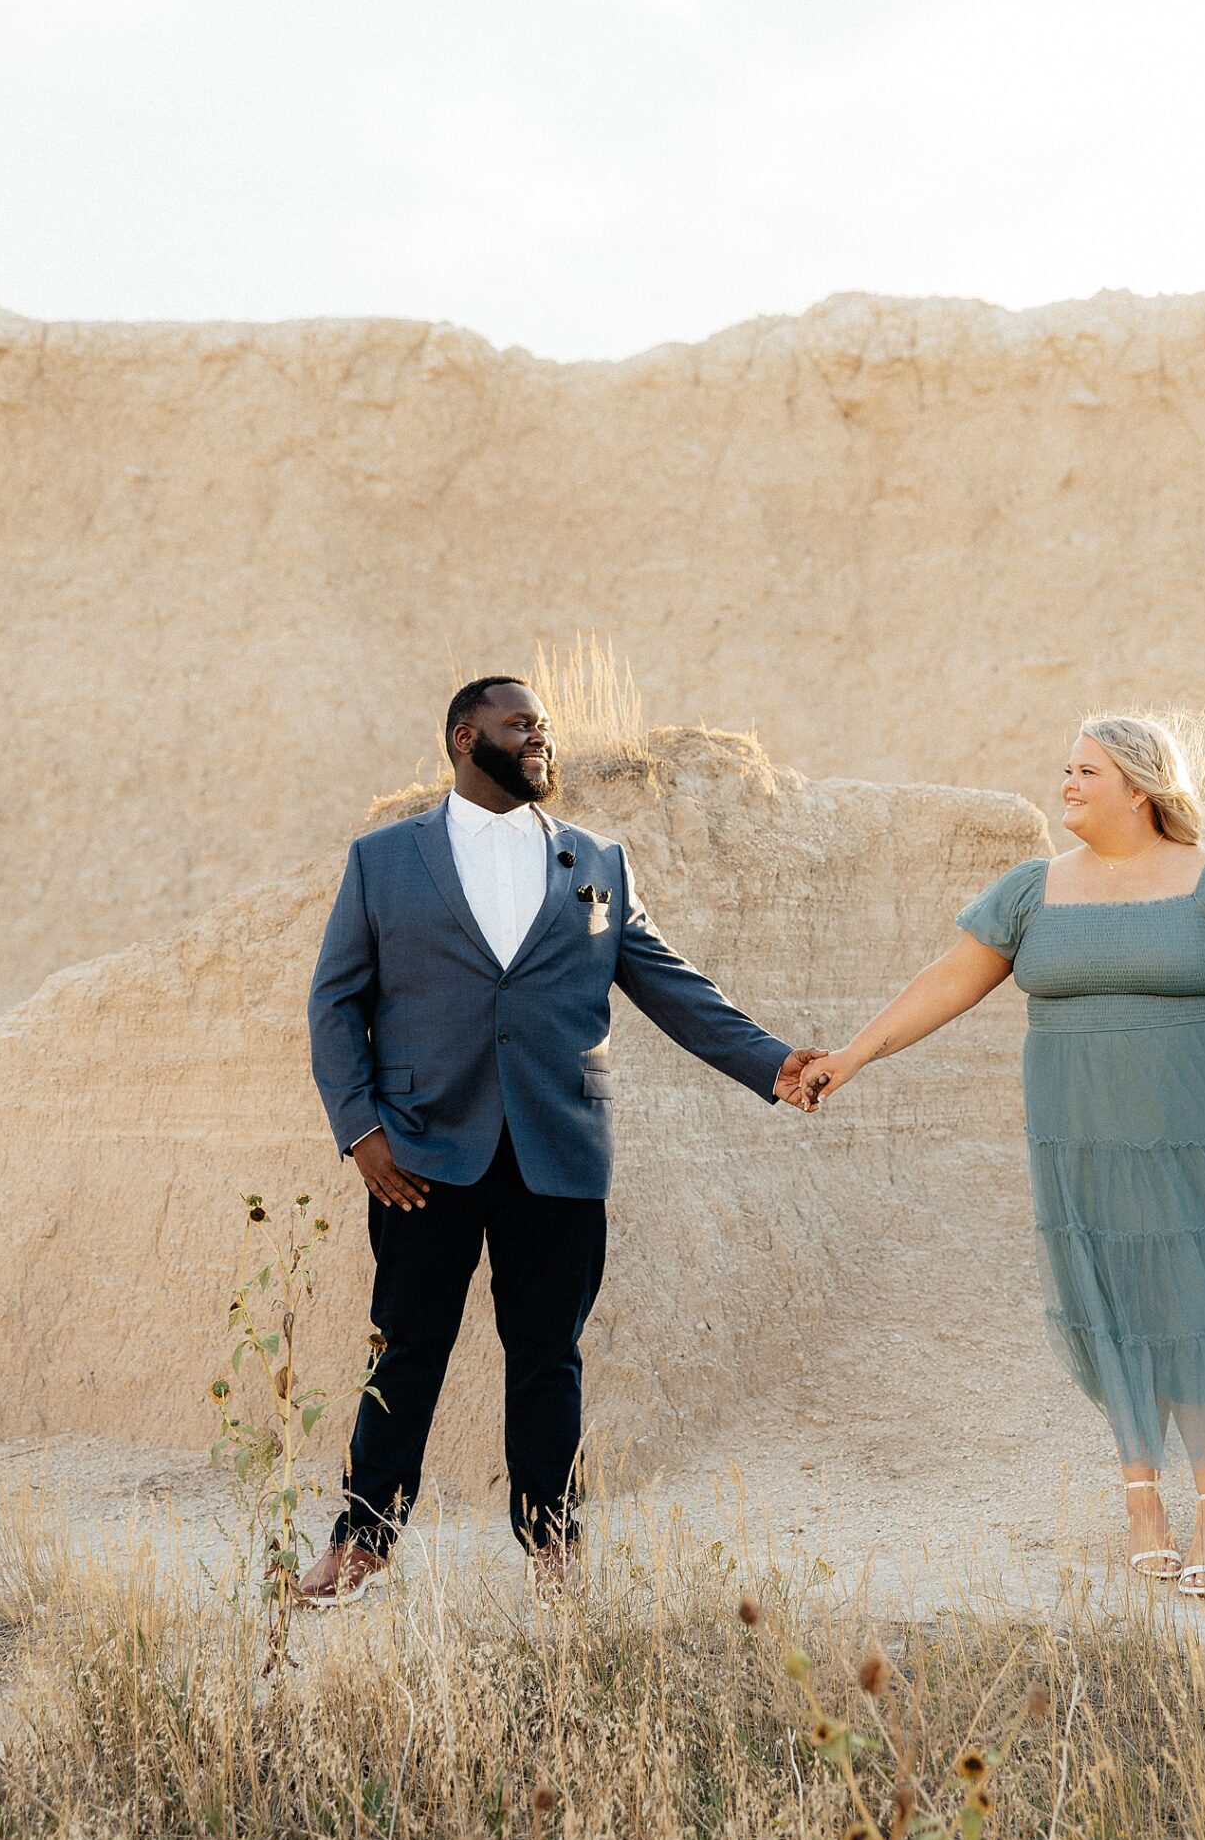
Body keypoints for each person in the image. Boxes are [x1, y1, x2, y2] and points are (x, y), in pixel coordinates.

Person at [296, 675, 825, 1604]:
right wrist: (361, 1131)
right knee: (406, 1350)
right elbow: (335, 1001)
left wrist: (770, 1063)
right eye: (521, 725)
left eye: (544, 727)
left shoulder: (596, 861)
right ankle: (364, 1540)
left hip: (558, 1148)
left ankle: (552, 1545)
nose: (542, 739)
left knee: (548, 1355)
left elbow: (671, 985)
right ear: (466, 737)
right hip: (421, 1152)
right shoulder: (383, 860)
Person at [801, 709, 1205, 1598]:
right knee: (1115, 1305)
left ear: (1138, 787)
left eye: (1085, 772)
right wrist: (850, 1057)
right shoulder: (1032, 890)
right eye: (1065, 770)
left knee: (1201, 1306)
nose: (1066, 785)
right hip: (1082, 1143)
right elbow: (946, 981)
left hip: (1202, 1136)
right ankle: (1141, 1501)